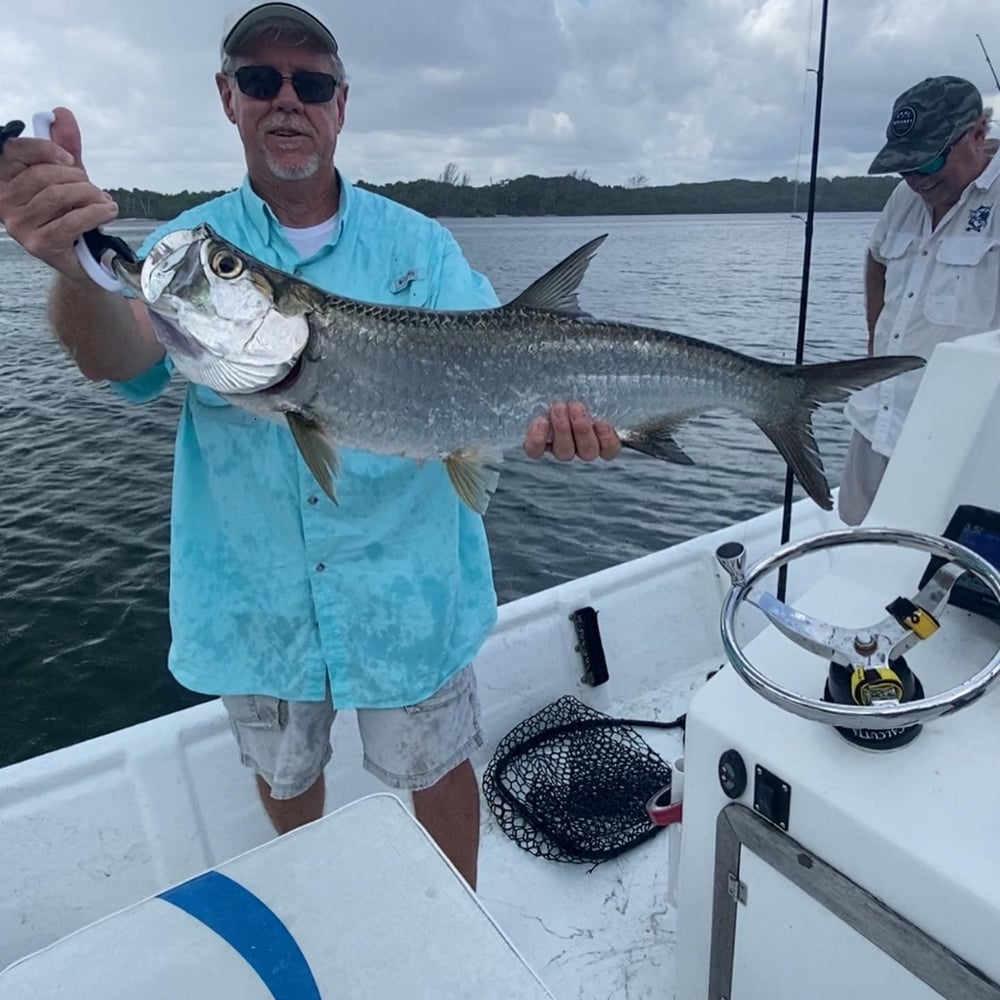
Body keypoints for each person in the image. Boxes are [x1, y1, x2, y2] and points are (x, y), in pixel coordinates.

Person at [0, 2, 620, 889]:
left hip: (411, 592)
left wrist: (564, 425)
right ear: (228, 98)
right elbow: (119, 358)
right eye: (260, 80)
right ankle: (323, 912)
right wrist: (73, 270)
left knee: (439, 768)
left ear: (341, 104)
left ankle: (458, 932)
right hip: (258, 608)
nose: (286, 100)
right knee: (286, 776)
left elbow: (508, 358)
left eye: (312, 83)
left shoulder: (422, 245)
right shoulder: (191, 250)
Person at [838, 75, 1000, 525]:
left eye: (926, 164)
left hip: (961, 438)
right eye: (902, 167)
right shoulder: (905, 195)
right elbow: (877, 258)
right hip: (878, 417)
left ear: (977, 135)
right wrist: (875, 345)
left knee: (940, 567)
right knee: (857, 541)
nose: (914, 180)